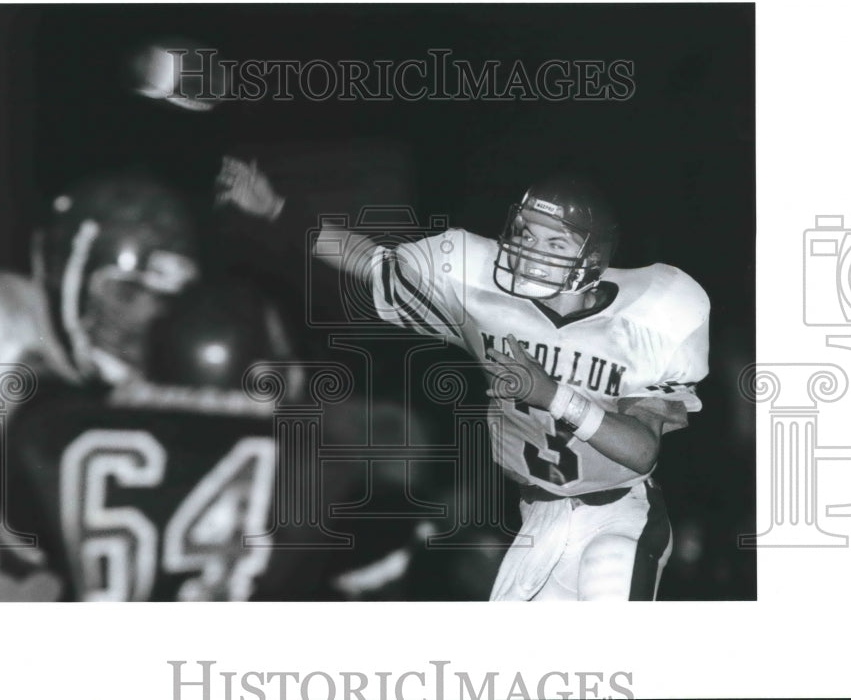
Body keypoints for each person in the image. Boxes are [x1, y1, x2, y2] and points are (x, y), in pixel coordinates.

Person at [216, 156, 710, 601]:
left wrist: (551, 394)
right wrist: (278, 209)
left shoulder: (648, 318)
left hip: (619, 511)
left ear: (592, 258)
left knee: (612, 584)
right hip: (536, 517)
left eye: (556, 242)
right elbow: (373, 262)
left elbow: (644, 450)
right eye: (526, 234)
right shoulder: (481, 293)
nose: (533, 252)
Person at [0, 174, 201, 600]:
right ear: (63, 271)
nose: (143, 322)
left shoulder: (151, 377)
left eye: (162, 302)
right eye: (126, 293)